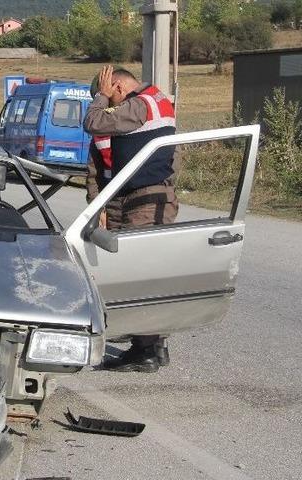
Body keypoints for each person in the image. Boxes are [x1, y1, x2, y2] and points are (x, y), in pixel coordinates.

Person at [84, 65, 178, 373]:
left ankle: (148, 349)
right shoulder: (131, 111)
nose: (107, 107)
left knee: (142, 272)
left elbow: (93, 121)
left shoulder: (143, 103)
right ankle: (149, 344)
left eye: (109, 98)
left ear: (119, 89)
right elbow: (96, 170)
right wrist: (96, 208)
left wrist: (101, 96)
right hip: (121, 197)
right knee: (131, 271)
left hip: (146, 198)